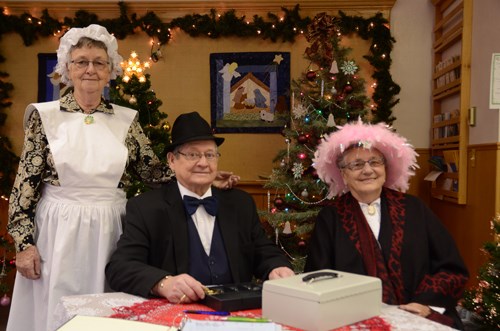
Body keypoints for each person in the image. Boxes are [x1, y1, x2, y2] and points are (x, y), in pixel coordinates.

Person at [6, 25, 237, 331]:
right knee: (56, 312)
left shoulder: (126, 120)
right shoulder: (44, 116)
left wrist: (201, 177)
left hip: (112, 229)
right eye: (82, 61)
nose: (91, 69)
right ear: (67, 68)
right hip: (57, 233)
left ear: (109, 70)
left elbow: (154, 172)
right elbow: (25, 187)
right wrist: (24, 245)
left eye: (99, 62)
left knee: (110, 311)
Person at [105, 111, 295, 303]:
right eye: (193, 154)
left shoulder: (240, 203)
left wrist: (276, 267)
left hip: (235, 310)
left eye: (210, 154)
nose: (203, 163)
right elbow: (120, 268)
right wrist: (163, 283)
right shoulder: (146, 208)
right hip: (175, 314)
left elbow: (264, 251)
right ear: (172, 160)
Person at [304, 119, 469, 330]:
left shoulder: (414, 208)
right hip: (354, 320)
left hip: (419, 315)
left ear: (385, 168)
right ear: (343, 175)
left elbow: (451, 268)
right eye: (356, 165)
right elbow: (318, 279)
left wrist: (425, 303)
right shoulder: (330, 217)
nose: (367, 170)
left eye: (374, 162)